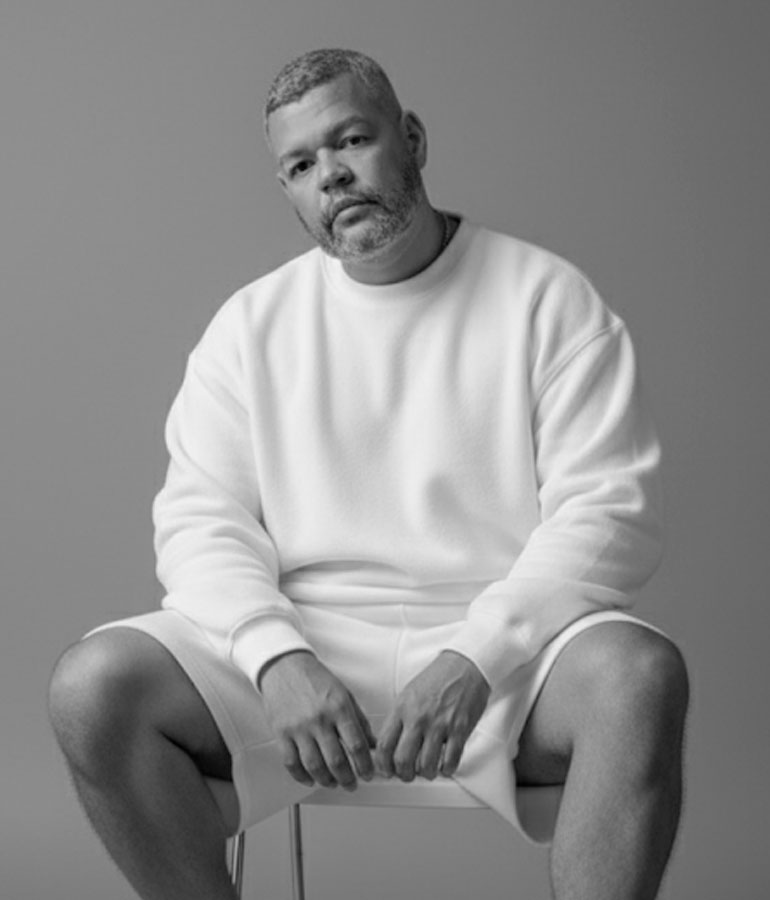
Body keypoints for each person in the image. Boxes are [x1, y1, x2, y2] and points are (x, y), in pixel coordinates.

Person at [48, 48, 689, 900]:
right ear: (288, 189)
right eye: (301, 165)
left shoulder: (548, 299)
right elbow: (202, 521)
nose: (332, 176)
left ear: (412, 139)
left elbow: (607, 512)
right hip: (304, 653)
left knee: (639, 677)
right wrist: (277, 659)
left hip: (503, 662)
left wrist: (476, 657)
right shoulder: (251, 325)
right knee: (92, 689)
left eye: (351, 140)